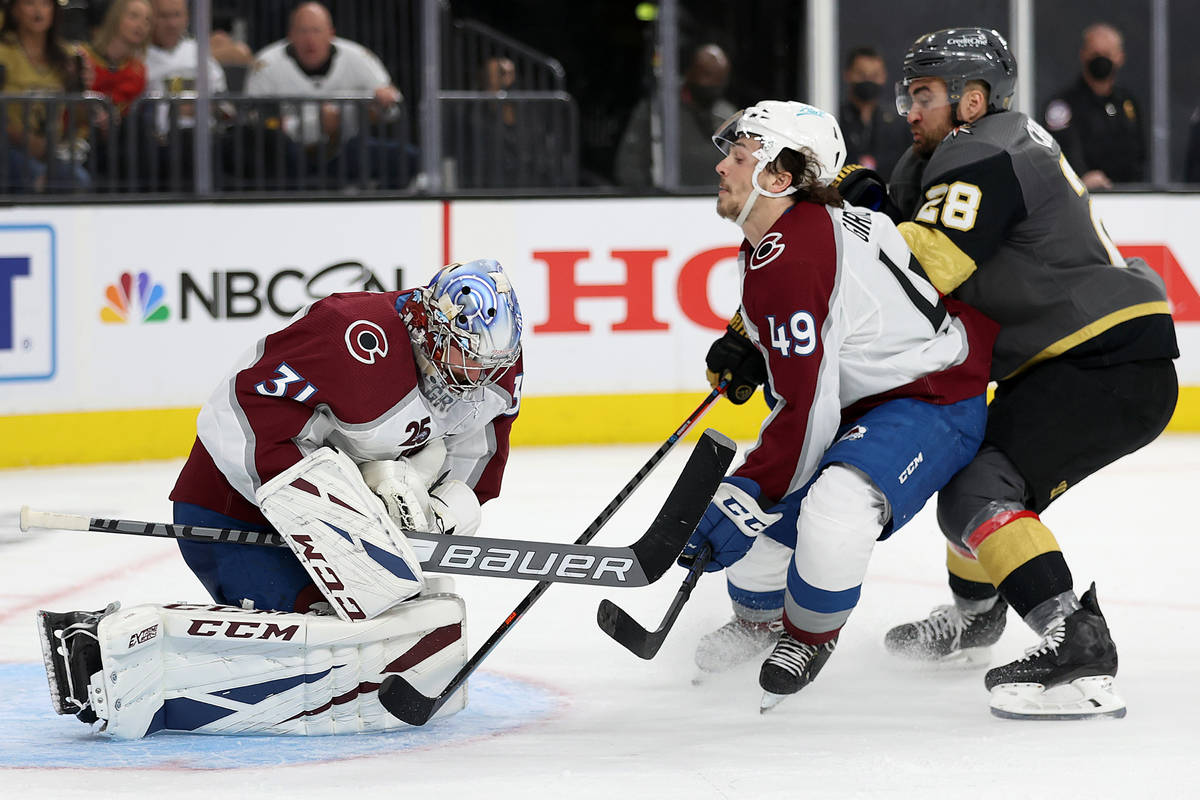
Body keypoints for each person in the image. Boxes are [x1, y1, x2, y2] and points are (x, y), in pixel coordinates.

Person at [36, 259, 525, 737]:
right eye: (466, 355)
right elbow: (236, 415)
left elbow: (476, 456)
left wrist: (432, 513)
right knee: (323, 642)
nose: (480, 373)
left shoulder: (493, 365)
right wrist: (336, 510)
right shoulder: (350, 335)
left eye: (492, 363)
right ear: (428, 328)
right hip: (233, 508)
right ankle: (98, 650)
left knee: (403, 624)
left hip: (354, 516)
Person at [877, 27, 1177, 719]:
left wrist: (850, 224)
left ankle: (1077, 646)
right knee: (970, 470)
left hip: (1099, 357)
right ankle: (977, 615)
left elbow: (933, 264)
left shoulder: (981, 149)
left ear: (972, 100)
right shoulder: (984, 145)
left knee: (980, 487)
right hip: (1085, 354)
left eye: (923, 95)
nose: (909, 110)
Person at [680, 100, 994, 710]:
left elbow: (805, 412)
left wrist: (746, 493)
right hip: (872, 396)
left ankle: (808, 635)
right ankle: (759, 621)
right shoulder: (795, 232)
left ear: (778, 177)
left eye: (739, 157)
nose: (722, 168)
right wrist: (748, 334)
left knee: (833, 499)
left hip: (931, 396)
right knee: (772, 515)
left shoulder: (792, 256)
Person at [245, 1, 406, 189]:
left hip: (347, 151)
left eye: (316, 30)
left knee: (405, 158)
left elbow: (392, 105)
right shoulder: (268, 64)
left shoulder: (359, 58)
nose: (310, 40)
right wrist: (314, 126)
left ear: (331, 33)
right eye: (303, 31)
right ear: (290, 34)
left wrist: (383, 103)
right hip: (288, 155)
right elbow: (255, 122)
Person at [614, 42, 737, 189]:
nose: (714, 84)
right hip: (664, 203)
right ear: (690, 72)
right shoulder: (658, 112)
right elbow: (629, 167)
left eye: (720, 79)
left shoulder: (728, 115)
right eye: (708, 75)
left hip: (715, 202)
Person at [0, 0, 92, 190]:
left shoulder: (68, 55)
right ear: (15, 10)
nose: (38, 11)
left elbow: (78, 114)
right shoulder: (3, 52)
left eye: (45, 4)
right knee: (34, 177)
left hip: (50, 149)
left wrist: (84, 90)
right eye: (29, 3)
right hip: (9, 145)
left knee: (79, 180)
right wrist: (24, 140)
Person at [1043, 23, 1145, 190]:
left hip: (1129, 199)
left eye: (1107, 54)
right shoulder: (1062, 105)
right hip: (1079, 196)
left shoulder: (1128, 104)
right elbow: (1059, 152)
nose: (1101, 59)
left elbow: (1139, 156)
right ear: (1083, 55)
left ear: (1120, 57)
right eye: (1095, 53)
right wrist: (1082, 177)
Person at [840, 46, 909, 179]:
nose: (868, 80)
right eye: (861, 75)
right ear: (847, 74)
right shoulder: (835, 118)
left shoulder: (899, 122)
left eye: (874, 75)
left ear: (884, 76)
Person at [83, 0, 152, 117]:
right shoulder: (84, 58)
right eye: (134, 16)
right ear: (115, 17)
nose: (141, 25)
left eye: (147, 20)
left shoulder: (138, 71)